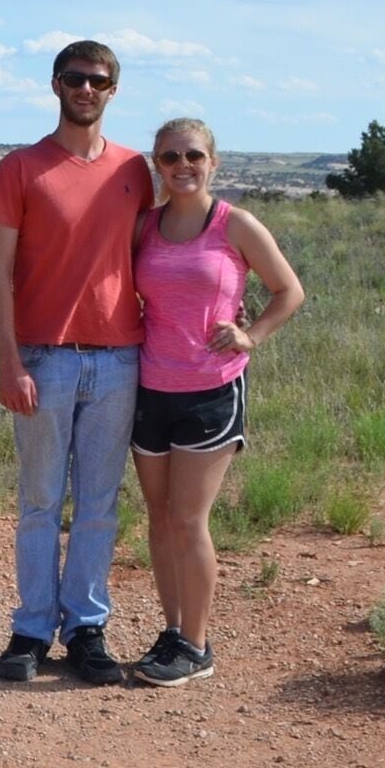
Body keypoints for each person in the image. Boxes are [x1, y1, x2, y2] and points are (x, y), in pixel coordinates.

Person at [0, 40, 155, 684]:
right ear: (55, 85)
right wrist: (8, 361)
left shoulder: (135, 171)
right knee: (38, 501)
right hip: (43, 359)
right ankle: (30, 630)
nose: (87, 89)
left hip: (117, 361)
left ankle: (85, 628)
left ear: (114, 90)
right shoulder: (21, 169)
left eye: (99, 80)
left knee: (99, 505)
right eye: (76, 79)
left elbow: (152, 259)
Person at [128, 117, 305, 686]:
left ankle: (197, 646)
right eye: (170, 157)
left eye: (194, 156)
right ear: (156, 164)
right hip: (151, 387)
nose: (183, 166)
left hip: (211, 388)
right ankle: (173, 631)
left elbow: (288, 290)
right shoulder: (146, 228)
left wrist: (252, 335)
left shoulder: (235, 225)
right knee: (158, 519)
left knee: (188, 520)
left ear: (213, 163)